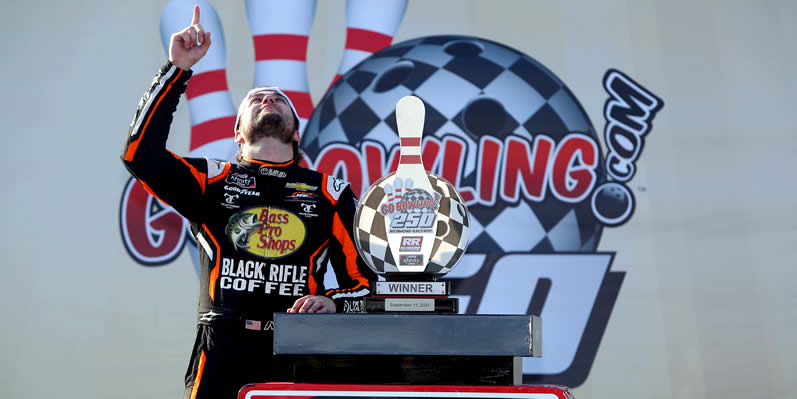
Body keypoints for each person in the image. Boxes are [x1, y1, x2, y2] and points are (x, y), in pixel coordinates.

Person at [121, 6, 376, 398]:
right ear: (237, 134)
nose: (268, 98)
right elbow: (140, 155)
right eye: (256, 98)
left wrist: (333, 303)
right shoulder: (213, 178)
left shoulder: (332, 193)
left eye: (278, 99)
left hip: (297, 350)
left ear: (296, 133)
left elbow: (365, 287)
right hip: (221, 349)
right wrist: (177, 69)